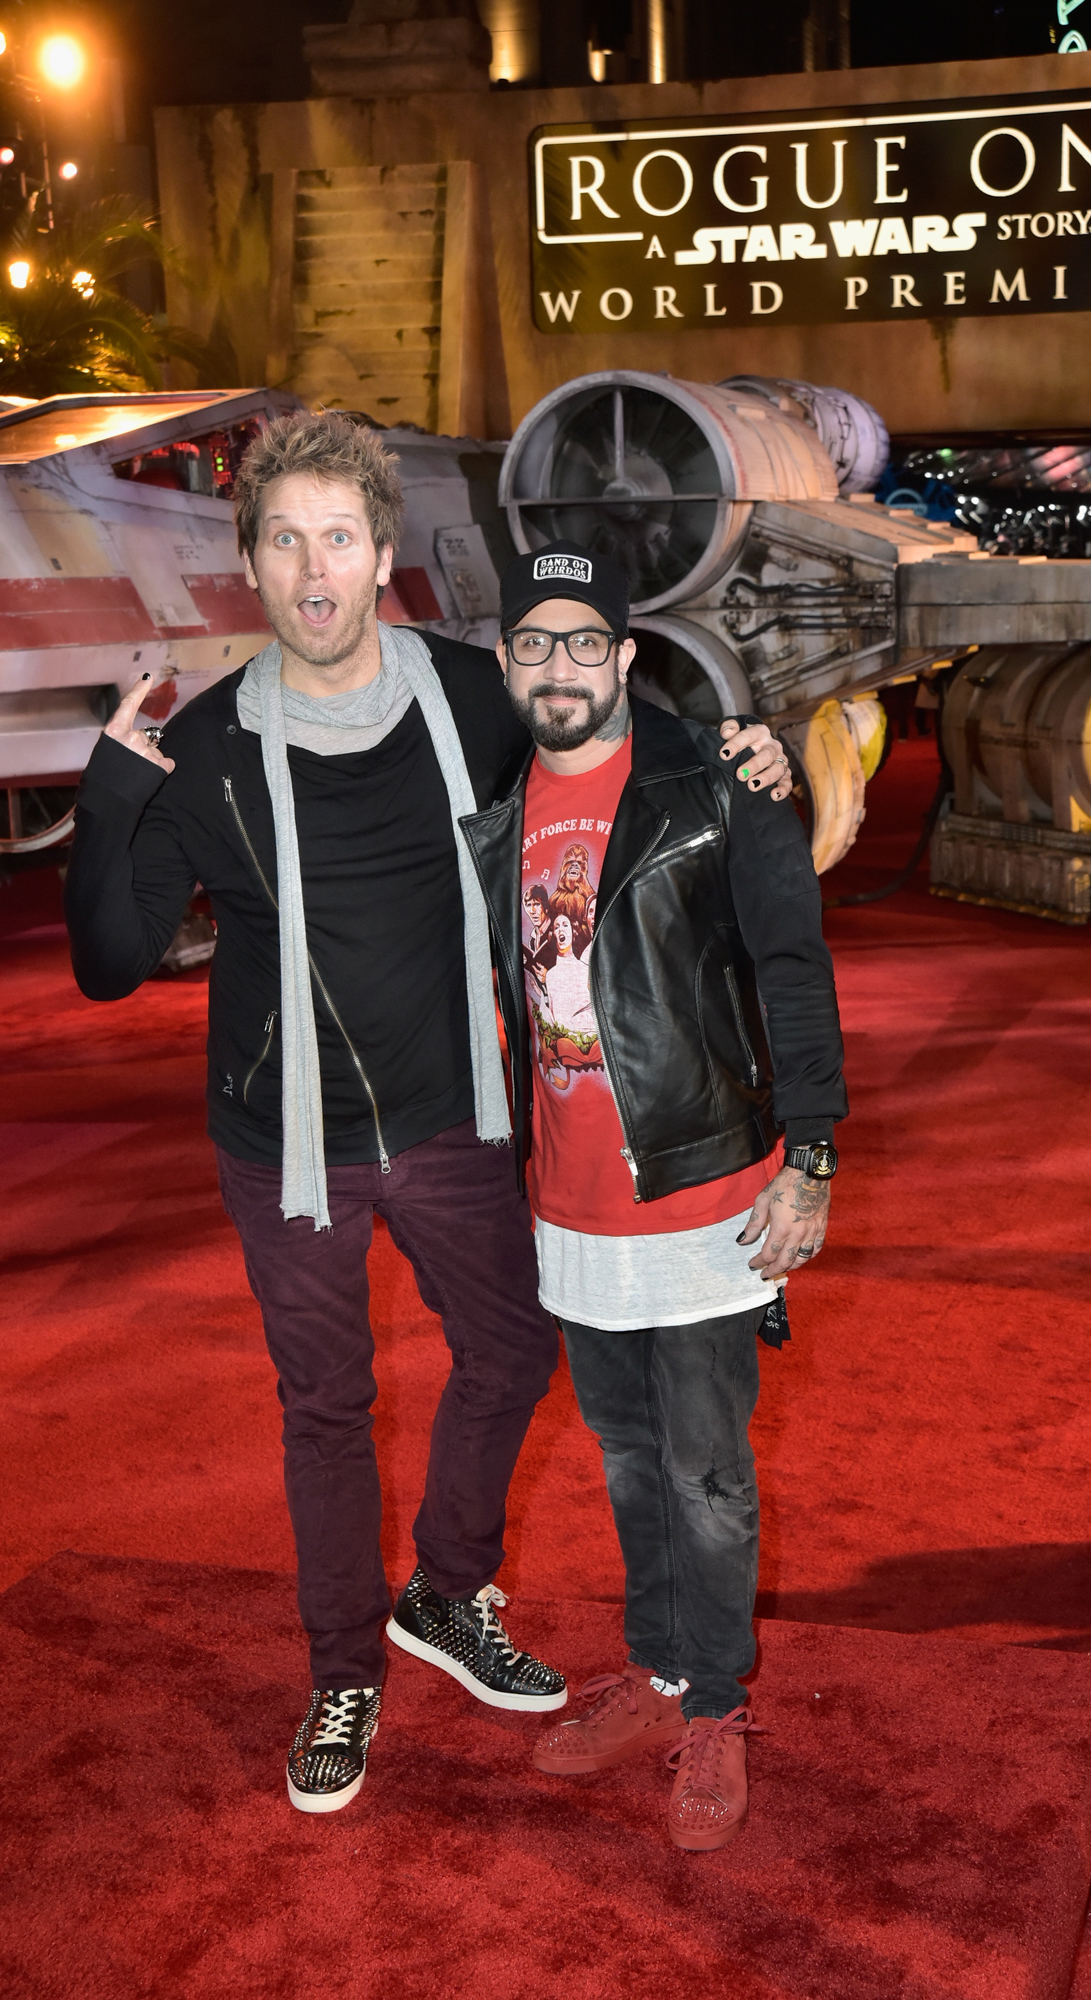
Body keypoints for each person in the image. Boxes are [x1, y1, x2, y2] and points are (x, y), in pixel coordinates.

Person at [62, 414, 793, 1816]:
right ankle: (343, 1672)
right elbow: (105, 963)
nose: (313, 569)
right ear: (251, 565)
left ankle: (446, 1593)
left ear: (380, 553)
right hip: (287, 1144)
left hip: (457, 1117)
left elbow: (604, 729)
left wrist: (734, 751)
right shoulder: (205, 748)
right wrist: (111, 791)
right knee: (325, 1407)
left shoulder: (468, 695)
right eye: (285, 540)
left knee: (513, 1349)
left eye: (338, 538)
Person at [462, 541, 846, 1852]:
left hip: (704, 1188)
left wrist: (812, 1158)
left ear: (625, 656)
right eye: (535, 644)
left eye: (586, 641)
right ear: (507, 663)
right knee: (628, 1455)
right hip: (568, 1205)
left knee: (706, 1471)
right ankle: (663, 1670)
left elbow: (792, 966)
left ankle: (718, 1706)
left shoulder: (716, 781)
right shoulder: (498, 805)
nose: (559, 667)